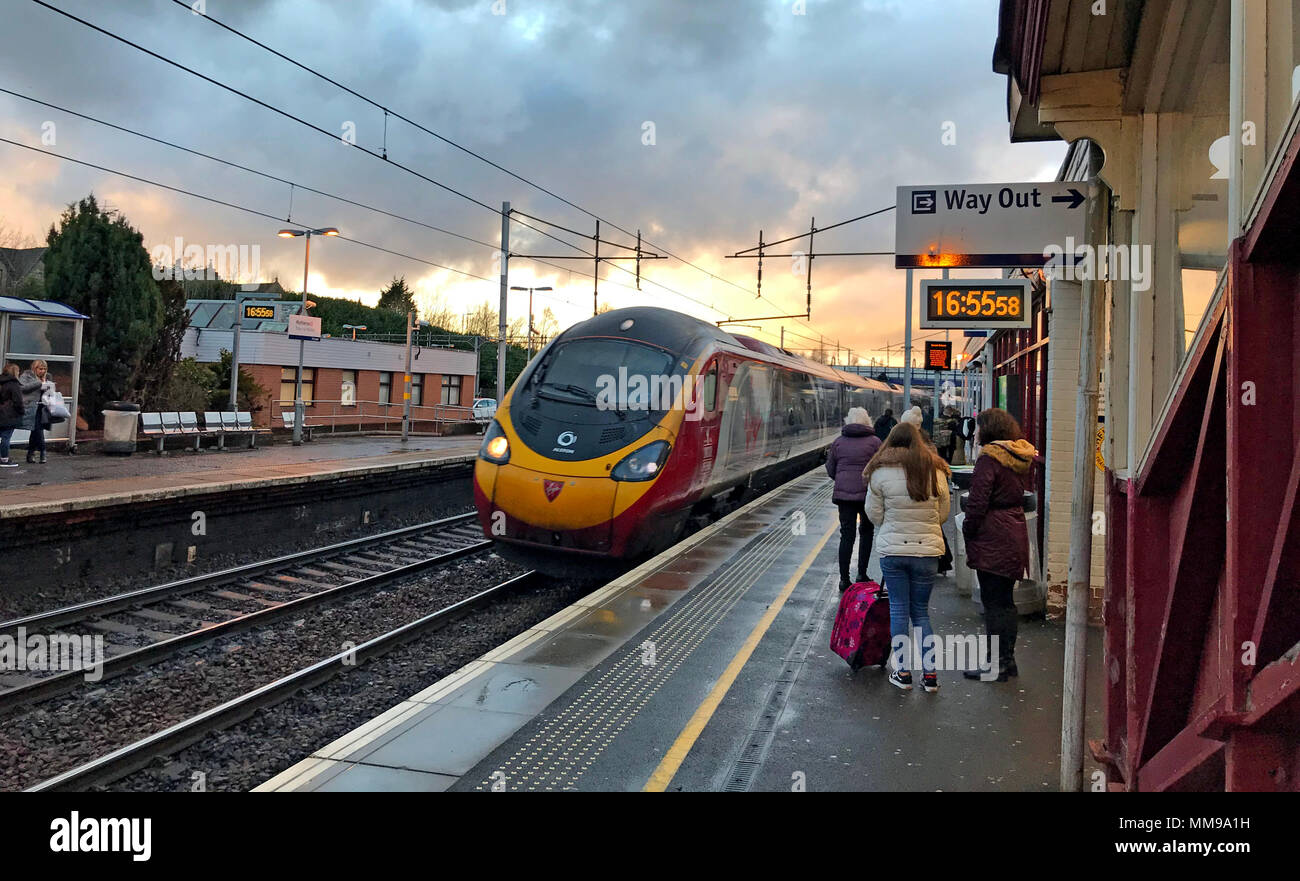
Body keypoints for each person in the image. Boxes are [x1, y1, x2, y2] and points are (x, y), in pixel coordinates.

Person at [864, 422, 951, 693]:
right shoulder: (935, 471)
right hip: (927, 552)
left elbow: (874, 515)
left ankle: (902, 672)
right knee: (921, 613)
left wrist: (892, 522)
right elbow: (943, 514)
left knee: (898, 609)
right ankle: (931, 676)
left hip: (894, 552)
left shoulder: (879, 473)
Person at [962, 408, 1037, 682]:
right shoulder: (1017, 457)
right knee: (1005, 602)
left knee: (993, 604)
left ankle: (996, 665)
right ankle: (1007, 662)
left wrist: (968, 530)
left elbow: (978, 501)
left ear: (989, 429)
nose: (976, 432)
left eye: (979, 427)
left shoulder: (989, 460)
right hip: (1013, 530)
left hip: (993, 535)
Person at [825, 407, 881, 592]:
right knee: (866, 532)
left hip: (844, 497)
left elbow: (831, 469)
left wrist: (842, 481)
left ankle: (843, 579)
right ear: (867, 421)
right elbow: (880, 468)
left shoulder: (838, 443)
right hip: (867, 494)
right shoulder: (875, 442)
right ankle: (861, 574)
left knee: (846, 535)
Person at [18, 360, 53, 464]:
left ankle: (31, 453)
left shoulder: (48, 376)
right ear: (34, 368)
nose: (43, 371)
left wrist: (48, 386)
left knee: (36, 430)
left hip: (43, 408)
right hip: (31, 407)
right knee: (38, 429)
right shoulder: (27, 376)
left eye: (44, 369)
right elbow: (22, 388)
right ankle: (42, 451)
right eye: (40, 369)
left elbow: (51, 391)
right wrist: (39, 383)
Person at [0, 364, 25, 468]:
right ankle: (4, 459)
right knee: (6, 437)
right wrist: (22, 411)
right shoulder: (14, 384)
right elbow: (18, 401)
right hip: (9, 415)